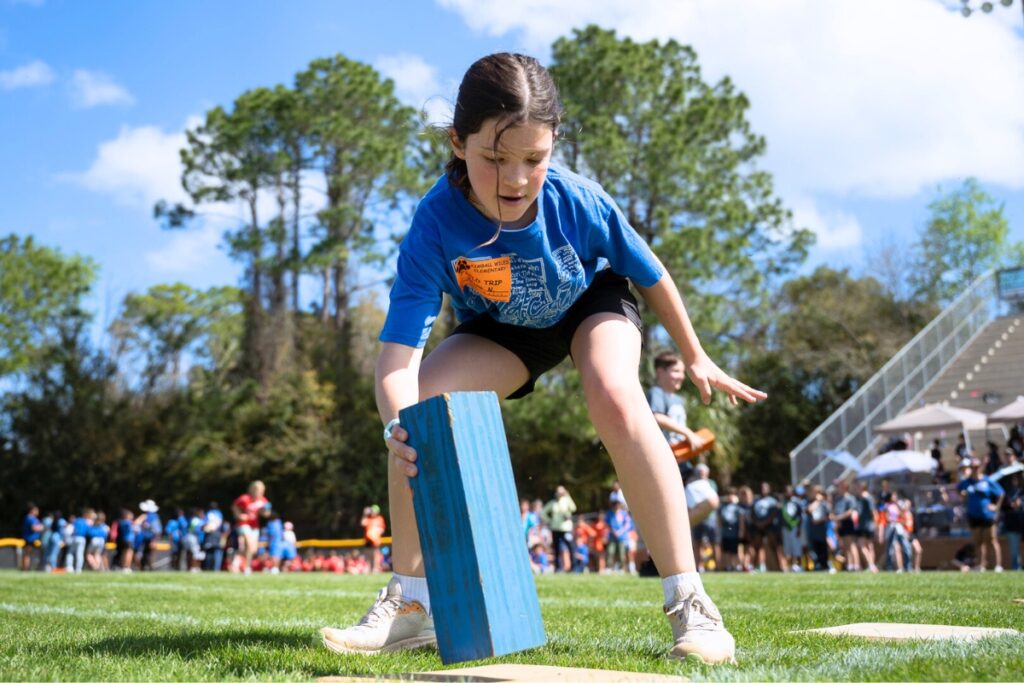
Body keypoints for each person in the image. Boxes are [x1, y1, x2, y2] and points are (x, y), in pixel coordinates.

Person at [319, 52, 764, 665]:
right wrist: (396, 424)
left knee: (613, 395)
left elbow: (652, 275)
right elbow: (397, 358)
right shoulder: (435, 223)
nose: (516, 178)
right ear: (457, 141)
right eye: (494, 158)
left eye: (534, 158)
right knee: (415, 413)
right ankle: (413, 605)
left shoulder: (579, 200)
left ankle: (692, 603)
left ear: (553, 144)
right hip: (504, 329)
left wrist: (697, 355)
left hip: (589, 303)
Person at [648, 350, 705, 482]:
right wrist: (688, 433)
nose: (682, 376)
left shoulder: (679, 400)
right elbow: (657, 417)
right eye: (676, 371)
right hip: (664, 459)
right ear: (660, 371)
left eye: (682, 372)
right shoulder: (657, 393)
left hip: (682, 458)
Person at [957, 459, 1004, 571]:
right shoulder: (967, 482)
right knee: (979, 541)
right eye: (973, 467)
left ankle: (998, 565)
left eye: (977, 467)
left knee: (992, 539)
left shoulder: (987, 480)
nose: (975, 469)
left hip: (987, 515)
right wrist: (962, 494)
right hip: (973, 515)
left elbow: (1001, 493)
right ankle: (982, 565)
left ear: (981, 468)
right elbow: (959, 490)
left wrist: (996, 507)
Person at [232, 480, 270, 575]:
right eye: (258, 490)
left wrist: (264, 512)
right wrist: (239, 515)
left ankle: (236, 559)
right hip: (243, 524)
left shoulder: (263, 501)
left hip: (254, 526)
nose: (260, 492)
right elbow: (234, 506)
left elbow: (267, 514)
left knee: (252, 549)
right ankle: (247, 568)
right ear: (253, 489)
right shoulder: (245, 498)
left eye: (262, 490)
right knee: (249, 544)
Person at [749, 483, 785, 572]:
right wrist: (757, 523)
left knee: (774, 547)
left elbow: (774, 514)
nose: (763, 489)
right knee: (757, 547)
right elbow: (752, 514)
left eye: (765, 488)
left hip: (770, 527)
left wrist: (765, 523)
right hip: (757, 527)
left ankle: (779, 567)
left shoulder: (773, 501)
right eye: (761, 488)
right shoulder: (755, 501)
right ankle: (754, 567)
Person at [541, 486, 577, 573]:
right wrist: (549, 520)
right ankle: (557, 568)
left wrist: (568, 496)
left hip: (566, 529)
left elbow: (574, 508)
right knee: (556, 549)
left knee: (571, 548)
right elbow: (543, 512)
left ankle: (574, 568)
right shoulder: (552, 503)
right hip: (555, 529)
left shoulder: (566, 501)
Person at [830, 480, 860, 572]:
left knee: (851, 545)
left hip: (848, 523)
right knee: (845, 546)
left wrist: (838, 517)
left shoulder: (850, 498)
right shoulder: (838, 499)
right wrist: (835, 519)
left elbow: (850, 511)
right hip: (840, 524)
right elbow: (835, 510)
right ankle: (850, 565)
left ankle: (856, 565)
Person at [853, 481, 879, 573]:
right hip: (863, 525)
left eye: (856, 486)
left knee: (862, 545)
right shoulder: (859, 498)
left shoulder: (867, 498)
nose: (855, 488)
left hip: (867, 526)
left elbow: (874, 512)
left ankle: (871, 565)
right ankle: (872, 566)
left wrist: (875, 525)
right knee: (869, 546)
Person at [717, 488, 743, 572]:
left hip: (734, 531)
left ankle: (735, 565)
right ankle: (727, 566)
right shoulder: (722, 507)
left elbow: (741, 520)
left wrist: (741, 531)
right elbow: (720, 520)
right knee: (726, 550)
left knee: (734, 551)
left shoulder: (737, 507)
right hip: (725, 531)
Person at [361, 505, 387, 573]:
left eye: (374, 511)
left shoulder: (379, 519)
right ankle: (368, 568)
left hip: (375, 540)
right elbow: (363, 523)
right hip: (368, 540)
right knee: (368, 555)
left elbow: (382, 529)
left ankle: (375, 569)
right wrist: (365, 514)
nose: (372, 512)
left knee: (375, 555)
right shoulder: (368, 518)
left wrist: (376, 531)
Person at [201, 502, 225, 571]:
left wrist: (206, 529)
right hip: (217, 534)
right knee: (217, 551)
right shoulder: (219, 513)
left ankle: (208, 568)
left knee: (209, 551)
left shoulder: (209, 513)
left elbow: (204, 525)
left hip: (210, 534)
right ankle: (216, 569)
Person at [21, 504, 43, 571]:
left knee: (28, 555)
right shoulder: (30, 518)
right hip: (30, 539)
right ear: (32, 510)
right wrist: (42, 527)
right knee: (27, 554)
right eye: (36, 510)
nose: (38, 512)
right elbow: (34, 528)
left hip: (32, 539)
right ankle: (25, 569)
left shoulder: (30, 518)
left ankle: (27, 568)